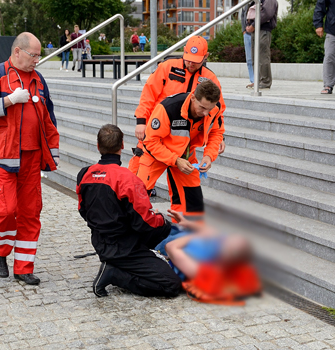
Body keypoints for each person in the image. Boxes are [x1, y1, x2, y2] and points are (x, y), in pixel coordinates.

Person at [0, 32, 60, 286]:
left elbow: (48, 118)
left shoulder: (39, 80)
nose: (37, 61)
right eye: (34, 55)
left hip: (32, 159)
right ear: (17, 52)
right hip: (3, 158)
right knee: (6, 210)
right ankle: (0, 252)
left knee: (31, 213)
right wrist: (8, 101)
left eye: (39, 56)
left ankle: (24, 267)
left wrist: (52, 153)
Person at [76, 124, 181, 298]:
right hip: (125, 248)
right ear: (122, 145)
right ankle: (114, 273)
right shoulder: (128, 179)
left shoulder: (84, 174)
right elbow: (146, 222)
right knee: (171, 285)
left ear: (98, 146)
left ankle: (117, 266)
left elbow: (83, 210)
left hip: (101, 242)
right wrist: (164, 221)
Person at [128, 36, 226, 178]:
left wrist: (220, 135)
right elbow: (148, 94)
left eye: (196, 60)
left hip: (183, 135)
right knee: (139, 166)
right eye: (188, 58)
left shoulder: (210, 78)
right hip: (157, 128)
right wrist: (141, 121)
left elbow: (217, 109)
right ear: (184, 51)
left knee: (185, 180)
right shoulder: (167, 67)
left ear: (206, 57)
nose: (191, 63)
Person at [136, 80, 225, 223]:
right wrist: (175, 160)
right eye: (202, 108)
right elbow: (150, 141)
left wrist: (209, 156)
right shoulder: (169, 108)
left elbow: (216, 133)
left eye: (209, 109)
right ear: (193, 97)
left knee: (193, 203)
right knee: (138, 198)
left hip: (185, 156)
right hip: (156, 155)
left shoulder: (215, 109)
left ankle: (187, 237)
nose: (205, 113)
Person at [246, 0, 278, 90]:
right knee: (254, 57)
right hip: (255, 30)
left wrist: (253, 25)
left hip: (263, 29)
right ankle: (258, 80)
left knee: (262, 56)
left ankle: (265, 81)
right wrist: (248, 24)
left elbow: (267, 13)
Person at [240, 4, 255, 89]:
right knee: (249, 59)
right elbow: (243, 15)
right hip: (247, 34)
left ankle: (259, 80)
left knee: (257, 58)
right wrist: (244, 30)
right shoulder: (246, 3)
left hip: (257, 33)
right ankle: (252, 80)